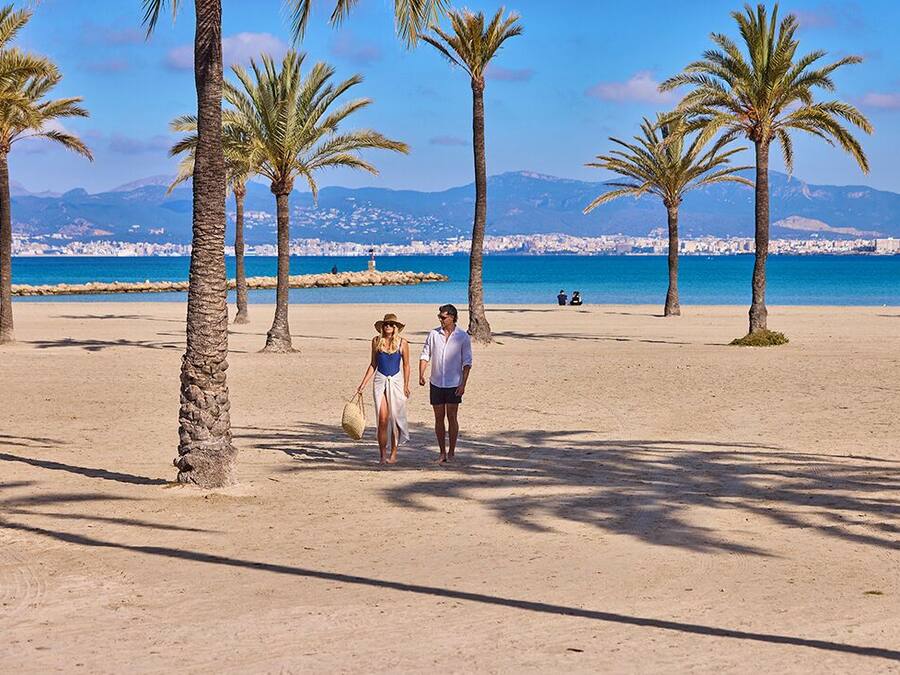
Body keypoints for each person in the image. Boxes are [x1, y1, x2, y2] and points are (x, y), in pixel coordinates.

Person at [419, 304, 472, 464]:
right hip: (436, 382)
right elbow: (425, 354)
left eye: (443, 317)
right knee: (438, 418)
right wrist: (421, 373)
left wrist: (463, 384)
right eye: (439, 317)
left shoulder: (462, 336)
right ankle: (442, 452)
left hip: (453, 383)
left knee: (452, 417)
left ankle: (452, 452)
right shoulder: (433, 334)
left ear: (452, 317)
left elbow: (467, 362)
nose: (441, 320)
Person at [356, 313, 410, 464]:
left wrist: (406, 384)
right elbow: (373, 364)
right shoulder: (376, 341)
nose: (388, 327)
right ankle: (382, 455)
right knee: (382, 419)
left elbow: (406, 365)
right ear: (382, 326)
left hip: (396, 380)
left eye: (391, 325)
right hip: (380, 380)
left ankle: (394, 452)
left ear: (395, 328)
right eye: (386, 324)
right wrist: (363, 383)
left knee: (395, 417)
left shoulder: (403, 343)